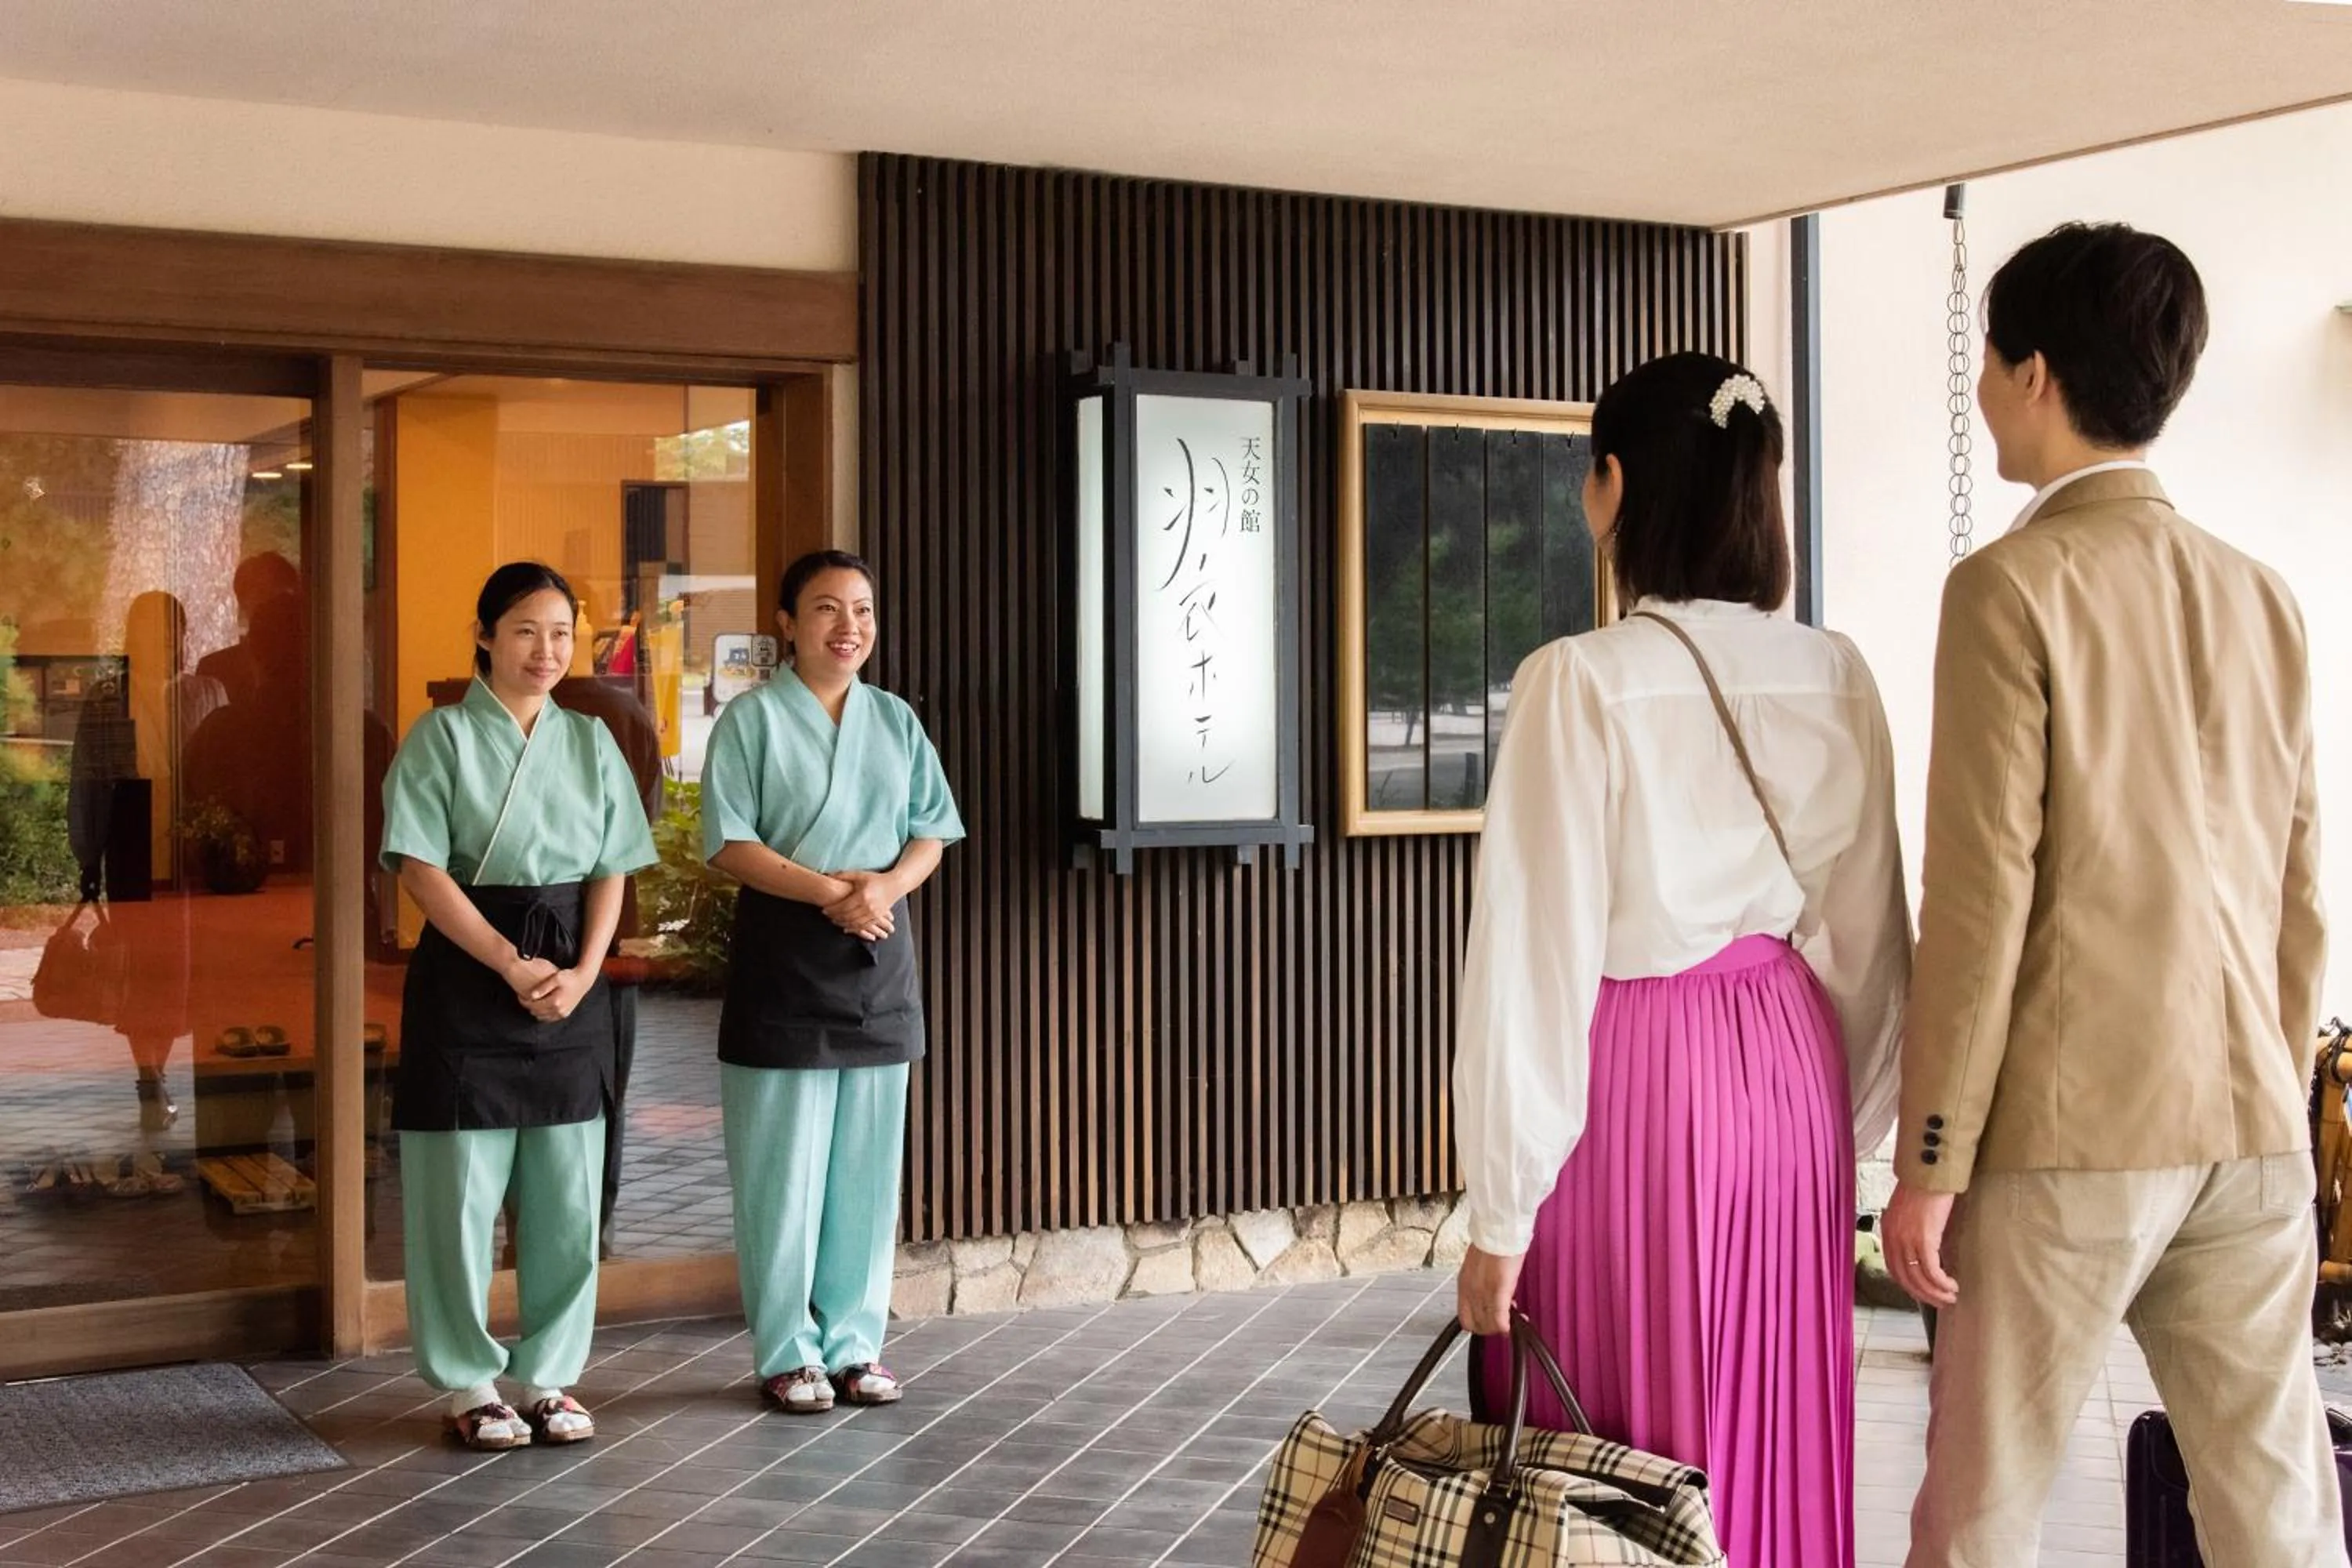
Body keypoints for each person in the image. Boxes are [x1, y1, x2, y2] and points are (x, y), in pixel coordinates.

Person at [1882, 223, 2342, 1567]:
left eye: (1984, 362)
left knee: (1979, 1519)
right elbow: (2302, 892)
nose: (1977, 390)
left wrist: (1930, 1162)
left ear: (2034, 374)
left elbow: (1979, 897)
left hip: (2068, 1143)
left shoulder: (2009, 589)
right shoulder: (2266, 599)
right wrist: (2276, 1077)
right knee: (2279, 1522)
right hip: (2252, 1131)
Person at [1452, 351, 1912, 1568]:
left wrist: (1500, 1208)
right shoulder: (1835, 670)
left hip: (1637, 1082)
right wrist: (1840, 1120)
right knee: (1766, 1399)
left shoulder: (1579, 682)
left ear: (1614, 489)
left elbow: (1533, 957)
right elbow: (1869, 935)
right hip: (1787, 1063)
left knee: (1622, 1433)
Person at [378, 561, 657, 1450]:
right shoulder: (440, 736)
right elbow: (421, 867)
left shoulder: (591, 738)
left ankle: (546, 1374)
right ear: (486, 633)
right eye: (528, 630)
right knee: (458, 1190)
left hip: (572, 976)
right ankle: (466, 1379)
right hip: (470, 966)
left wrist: (583, 969)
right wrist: (507, 960)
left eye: (563, 633)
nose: (548, 650)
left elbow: (613, 861)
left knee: (568, 1191)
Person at [701, 549, 964, 1414]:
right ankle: (787, 1348)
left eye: (861, 609)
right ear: (785, 622)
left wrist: (881, 888)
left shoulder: (895, 720)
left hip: (878, 949)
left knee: (864, 1165)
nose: (847, 626)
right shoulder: (751, 721)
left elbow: (932, 827)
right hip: (786, 946)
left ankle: (855, 1343)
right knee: (783, 1170)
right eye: (824, 608)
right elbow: (730, 841)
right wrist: (833, 892)